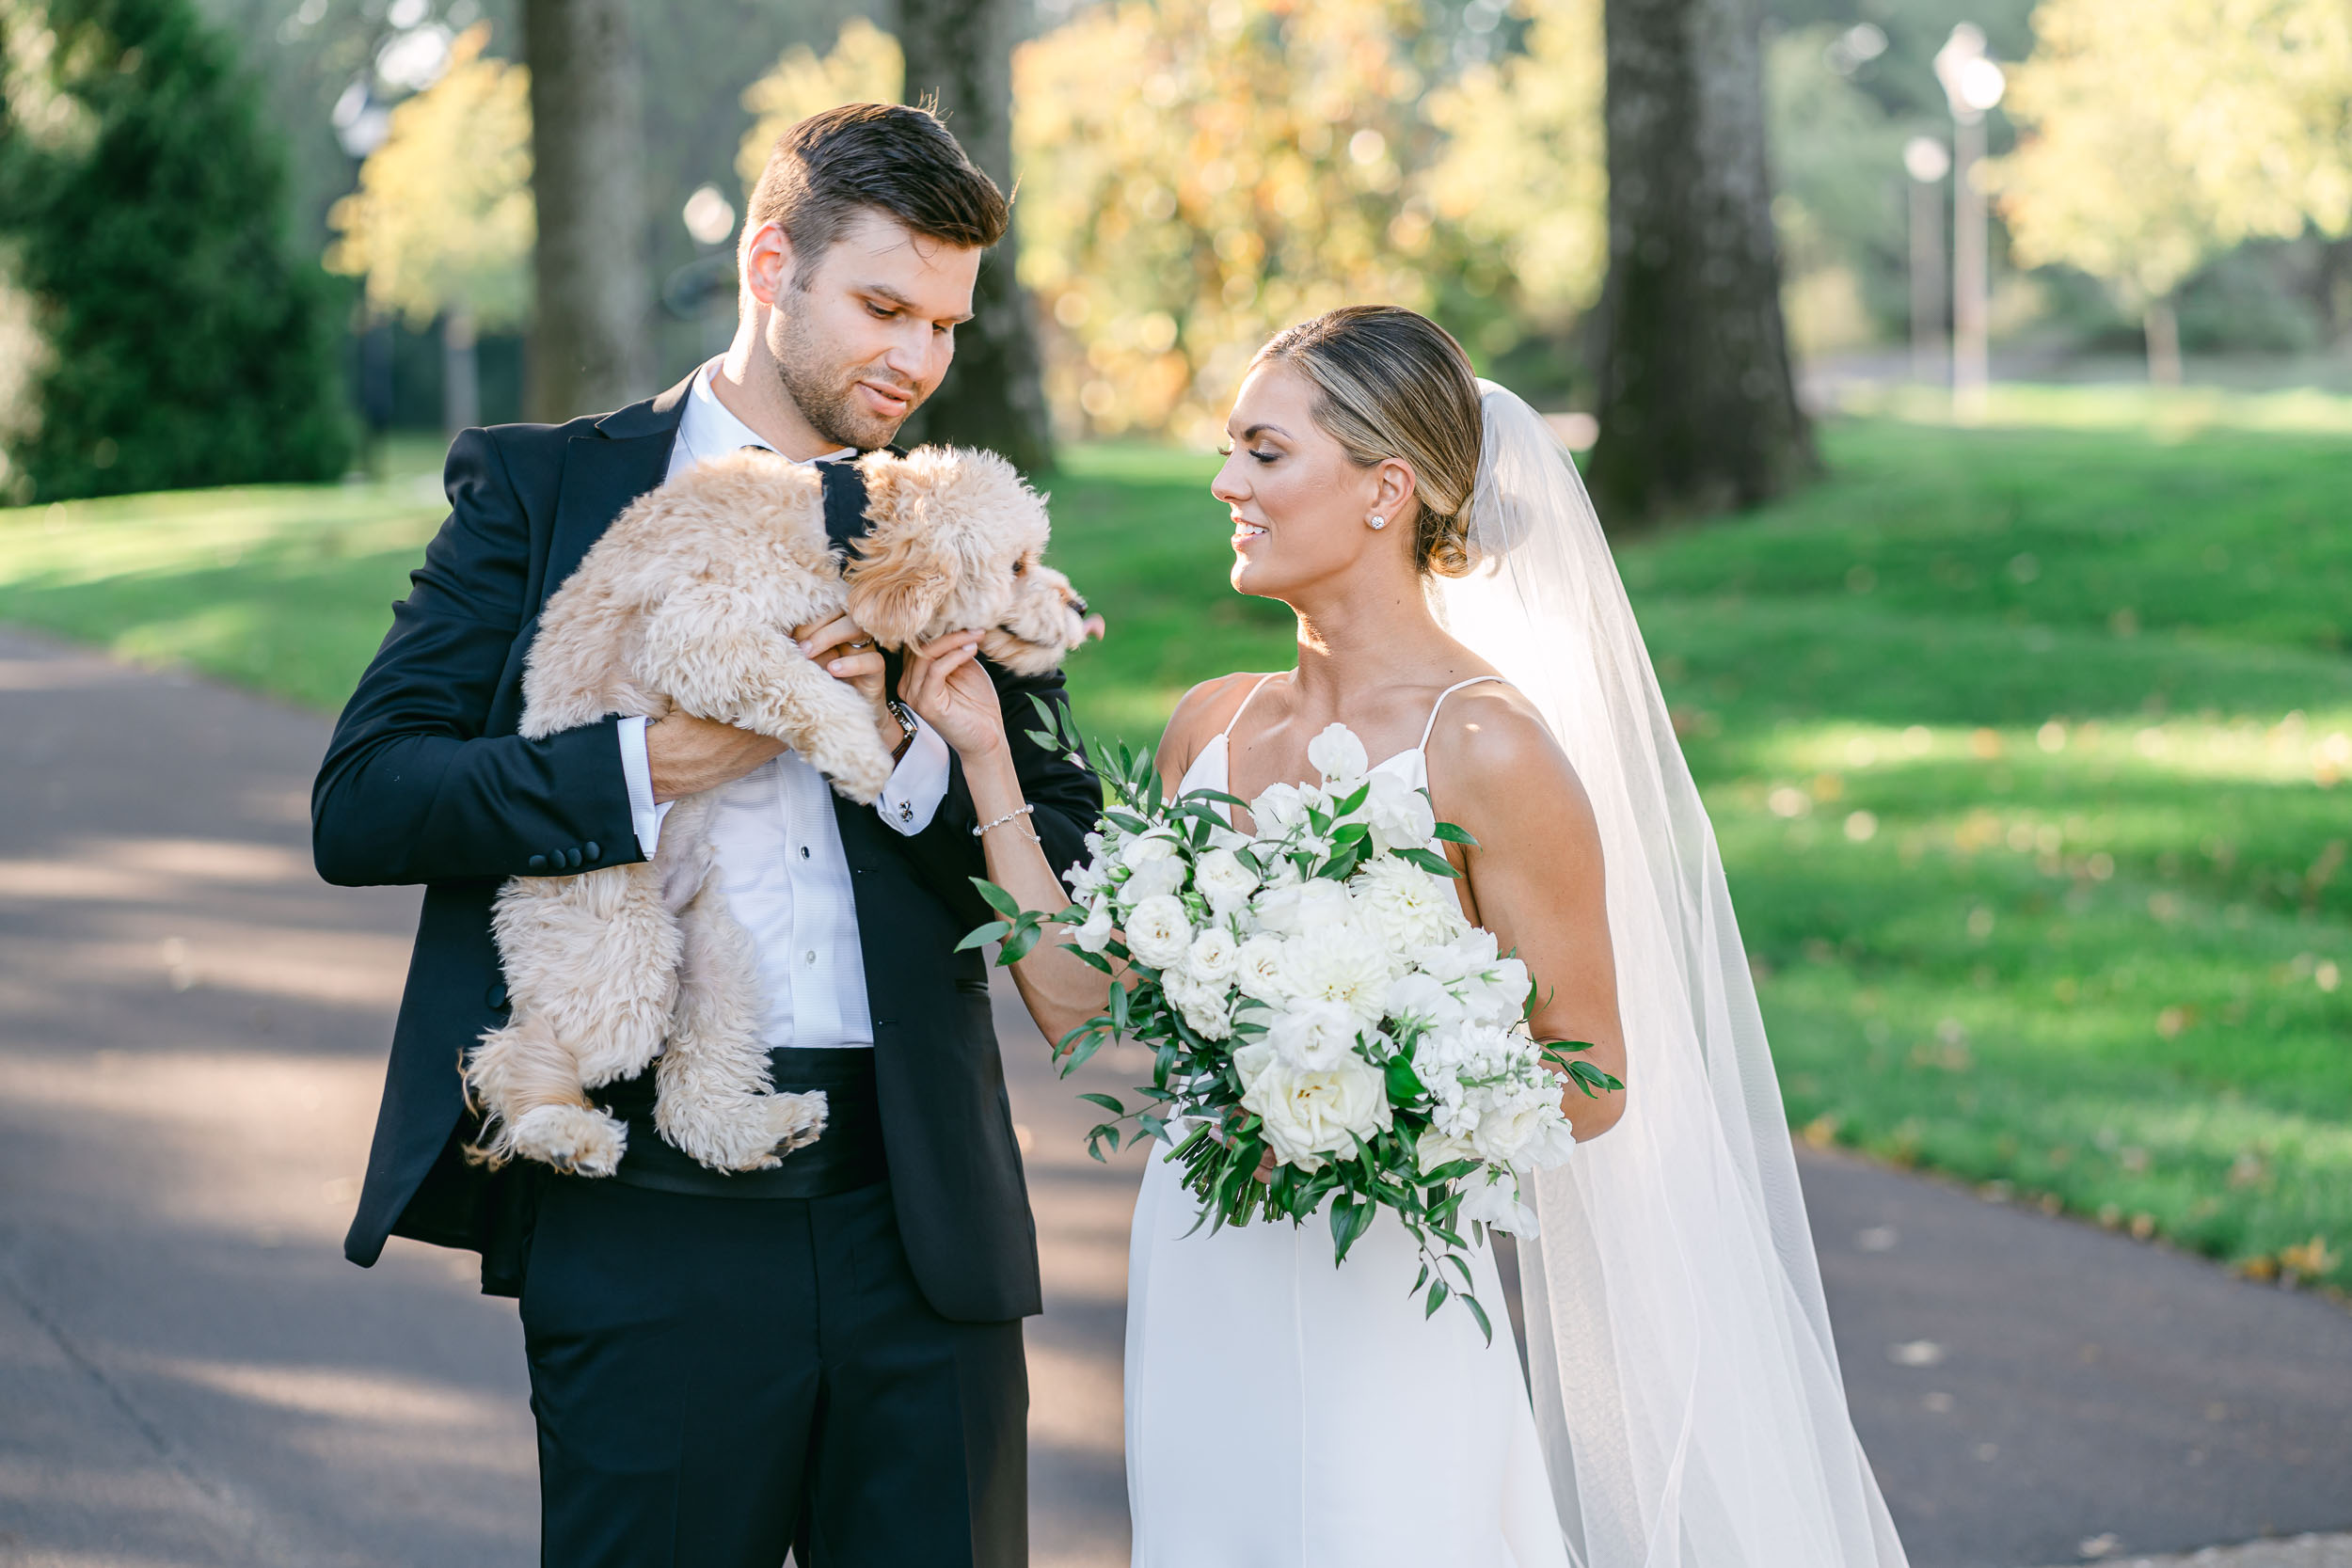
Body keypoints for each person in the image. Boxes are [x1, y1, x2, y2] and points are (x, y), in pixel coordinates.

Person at [922, 306, 1912, 1565]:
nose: (1227, 482)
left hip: (1378, 1273)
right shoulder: (1206, 728)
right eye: (1231, 451)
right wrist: (984, 760)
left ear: (1386, 488)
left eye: (1265, 453)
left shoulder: (1487, 745)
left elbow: (1592, 1075)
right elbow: (1075, 1007)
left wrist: (1355, 1105)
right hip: (1200, 1264)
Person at [314, 103, 1100, 1568]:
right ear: (768, 263)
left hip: (920, 1224)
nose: (916, 362)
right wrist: (649, 764)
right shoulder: (548, 488)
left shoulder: (948, 515)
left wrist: (917, 752)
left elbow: (1058, 823)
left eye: (943, 326)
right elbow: (367, 799)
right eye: (883, 308)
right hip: (650, 1227)